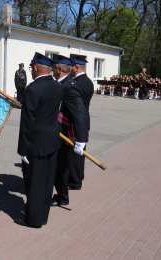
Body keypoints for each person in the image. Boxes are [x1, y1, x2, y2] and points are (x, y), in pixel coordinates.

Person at [17, 52, 63, 228]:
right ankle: (43, 216)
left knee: (35, 182)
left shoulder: (33, 89)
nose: (31, 71)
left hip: (35, 144)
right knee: (47, 181)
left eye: (31, 67)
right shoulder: (57, 86)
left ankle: (33, 220)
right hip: (52, 141)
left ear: (36, 67)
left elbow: (27, 123)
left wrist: (23, 150)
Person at [51, 54, 89, 206]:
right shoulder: (62, 83)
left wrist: (81, 139)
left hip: (65, 133)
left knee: (61, 167)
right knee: (60, 166)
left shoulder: (69, 86)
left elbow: (80, 114)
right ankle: (61, 194)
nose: (52, 70)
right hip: (58, 131)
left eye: (53, 67)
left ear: (58, 68)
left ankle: (62, 196)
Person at [69, 54, 94, 190]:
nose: (70, 69)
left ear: (77, 67)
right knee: (79, 153)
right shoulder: (88, 81)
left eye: (71, 66)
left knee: (76, 154)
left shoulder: (78, 83)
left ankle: (75, 181)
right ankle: (78, 176)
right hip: (83, 121)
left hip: (77, 122)